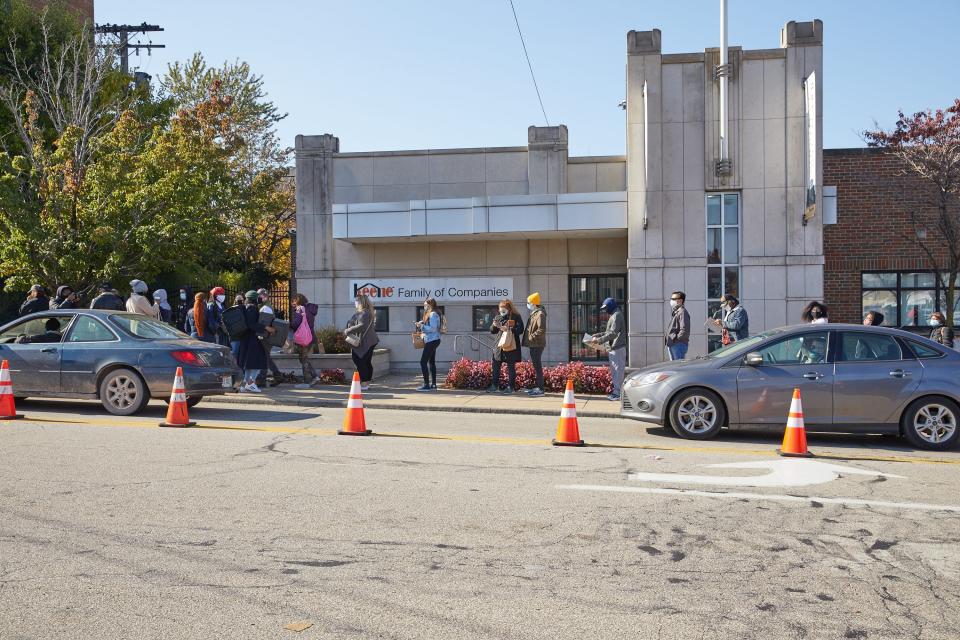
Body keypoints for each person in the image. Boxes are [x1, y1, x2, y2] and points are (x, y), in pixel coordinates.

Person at [486, 299, 524, 395]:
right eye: (500, 310)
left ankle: (511, 387)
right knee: (495, 366)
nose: (501, 312)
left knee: (511, 367)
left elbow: (520, 330)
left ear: (509, 309)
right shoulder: (498, 317)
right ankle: (494, 386)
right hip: (499, 346)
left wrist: (509, 329)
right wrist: (494, 325)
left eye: (504, 310)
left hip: (511, 345)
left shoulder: (516, 316)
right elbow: (492, 331)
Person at [237, 290, 273, 393]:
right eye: (258, 297)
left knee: (249, 363)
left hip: (246, 340)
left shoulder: (246, 307)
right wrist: (266, 328)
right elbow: (252, 324)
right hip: (252, 340)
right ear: (254, 299)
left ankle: (246, 383)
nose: (260, 299)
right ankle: (251, 383)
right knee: (258, 362)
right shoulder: (252, 308)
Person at [592, 297, 626, 402]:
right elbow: (609, 331)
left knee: (617, 371)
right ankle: (616, 392)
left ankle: (617, 393)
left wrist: (599, 340)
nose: (605, 310)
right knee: (615, 371)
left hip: (617, 347)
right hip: (614, 347)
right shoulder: (614, 315)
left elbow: (613, 333)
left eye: (606, 307)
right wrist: (598, 335)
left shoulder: (616, 315)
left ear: (611, 306)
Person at [345, 294, 379, 391]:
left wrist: (348, 330)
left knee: (359, 361)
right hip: (371, 340)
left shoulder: (363, 313)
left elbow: (362, 326)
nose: (355, 303)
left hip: (365, 341)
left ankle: (364, 383)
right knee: (366, 362)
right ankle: (367, 382)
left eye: (356, 301)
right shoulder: (368, 312)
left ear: (360, 302)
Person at [255, 287, 284, 387]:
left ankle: (262, 379)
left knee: (264, 357)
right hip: (266, 336)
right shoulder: (264, 306)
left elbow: (264, 324)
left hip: (265, 336)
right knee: (266, 357)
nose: (258, 297)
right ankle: (275, 376)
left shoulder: (265, 308)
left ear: (265, 296)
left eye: (260, 295)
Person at [291, 293, 320, 387]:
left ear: (298, 300)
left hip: (303, 338)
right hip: (310, 336)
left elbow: (296, 324)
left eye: (294, 301)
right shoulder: (310, 309)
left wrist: (289, 325)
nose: (292, 303)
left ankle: (309, 380)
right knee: (304, 358)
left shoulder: (300, 310)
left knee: (303, 359)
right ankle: (313, 377)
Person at [522, 292, 546, 397]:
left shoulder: (540, 314)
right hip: (534, 344)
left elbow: (541, 329)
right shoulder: (535, 313)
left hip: (537, 344)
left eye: (529, 302)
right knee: (536, 366)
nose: (528, 304)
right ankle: (538, 387)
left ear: (533, 303)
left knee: (537, 367)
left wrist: (531, 337)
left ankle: (540, 389)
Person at [415, 297, 442, 391]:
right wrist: (422, 323)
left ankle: (426, 385)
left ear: (430, 305)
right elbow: (432, 326)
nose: (424, 306)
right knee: (431, 362)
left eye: (425, 305)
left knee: (423, 362)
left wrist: (422, 326)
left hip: (432, 340)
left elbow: (433, 328)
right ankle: (433, 384)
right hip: (433, 340)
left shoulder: (433, 314)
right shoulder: (433, 314)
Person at [665, 290, 690, 361]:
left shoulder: (682, 312)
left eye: (673, 299)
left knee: (677, 367)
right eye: (671, 299)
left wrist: (675, 339)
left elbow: (684, 329)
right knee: (673, 366)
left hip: (678, 344)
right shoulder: (677, 311)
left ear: (680, 300)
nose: (671, 301)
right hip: (674, 344)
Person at [229, 293, 245, 359]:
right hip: (235, 336)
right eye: (237, 299)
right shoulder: (230, 310)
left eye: (240, 299)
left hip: (244, 336)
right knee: (235, 353)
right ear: (235, 300)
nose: (239, 301)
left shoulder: (245, 309)